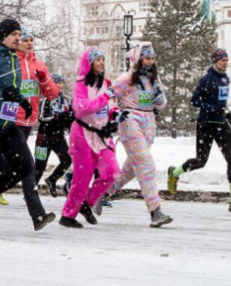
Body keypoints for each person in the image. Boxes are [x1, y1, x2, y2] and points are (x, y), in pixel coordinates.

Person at [0, 19, 54, 236]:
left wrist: (21, 100)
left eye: (19, 34)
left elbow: (12, 90)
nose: (18, 38)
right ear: (3, 36)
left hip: (8, 123)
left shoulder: (14, 59)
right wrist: (0, 96)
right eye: (14, 34)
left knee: (25, 166)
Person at [168, 49, 231, 213]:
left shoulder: (226, 79)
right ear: (215, 61)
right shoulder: (207, 79)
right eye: (222, 60)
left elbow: (220, 103)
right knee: (200, 161)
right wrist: (213, 109)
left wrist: (227, 114)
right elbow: (195, 101)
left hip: (221, 123)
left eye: (227, 60)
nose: (225, 63)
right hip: (206, 123)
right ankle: (175, 173)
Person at [109, 43, 172, 227]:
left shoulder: (154, 78)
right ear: (138, 59)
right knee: (146, 164)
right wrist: (115, 111)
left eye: (152, 58)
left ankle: (99, 194)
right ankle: (155, 211)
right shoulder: (127, 78)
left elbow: (162, 104)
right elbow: (109, 95)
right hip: (130, 121)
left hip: (149, 123)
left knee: (130, 170)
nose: (150, 61)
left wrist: (160, 102)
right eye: (147, 58)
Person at [58, 47, 120, 229]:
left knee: (111, 172)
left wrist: (115, 115)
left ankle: (87, 203)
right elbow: (82, 108)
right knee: (82, 178)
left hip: (100, 136)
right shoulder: (81, 83)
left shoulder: (104, 83)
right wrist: (105, 98)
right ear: (89, 63)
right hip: (82, 135)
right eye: (97, 59)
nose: (101, 62)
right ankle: (67, 215)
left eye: (103, 59)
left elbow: (108, 106)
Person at [12, 27, 58, 226]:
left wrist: (44, 78)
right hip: (12, 121)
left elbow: (52, 94)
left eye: (32, 40)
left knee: (6, 168)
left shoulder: (38, 64)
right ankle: (37, 214)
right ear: (17, 42)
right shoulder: (12, 63)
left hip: (28, 122)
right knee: (28, 166)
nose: (30, 43)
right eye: (25, 40)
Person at [34, 73, 73, 197]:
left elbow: (68, 121)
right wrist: (57, 117)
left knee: (67, 160)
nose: (61, 85)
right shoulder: (46, 99)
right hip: (43, 138)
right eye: (58, 82)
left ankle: (52, 179)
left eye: (62, 82)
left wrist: (71, 121)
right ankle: (31, 192)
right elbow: (41, 118)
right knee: (40, 166)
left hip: (58, 138)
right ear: (51, 84)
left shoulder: (66, 100)